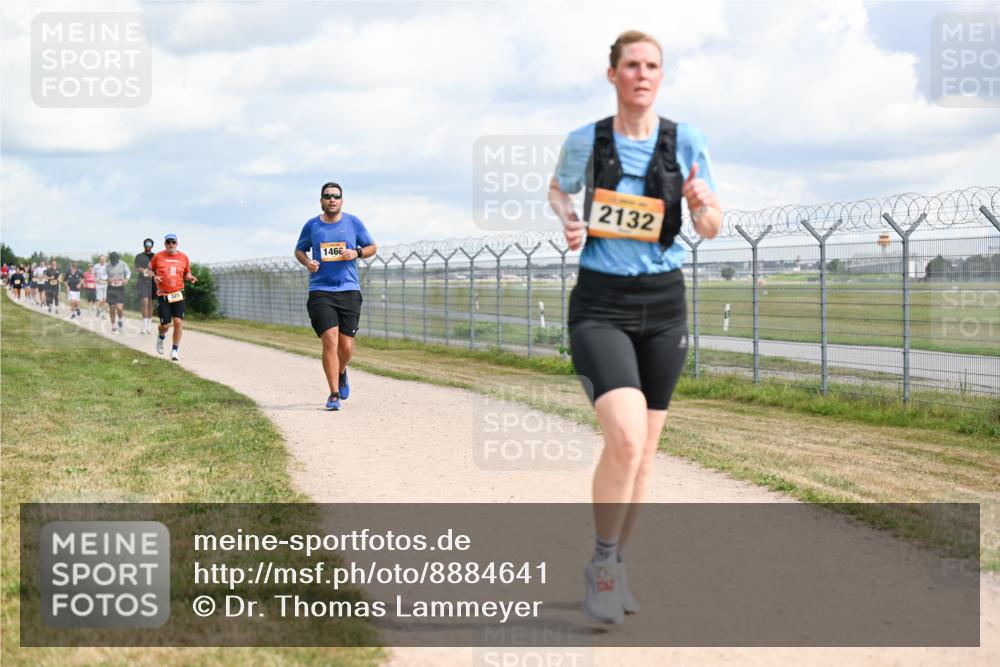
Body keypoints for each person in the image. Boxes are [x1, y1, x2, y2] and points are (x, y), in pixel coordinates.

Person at [547, 31, 722, 625]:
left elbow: (713, 225)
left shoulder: (686, 140)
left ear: (661, 76)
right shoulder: (586, 141)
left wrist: (701, 205)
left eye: (652, 66)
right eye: (631, 65)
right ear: (612, 74)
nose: (642, 74)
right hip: (600, 304)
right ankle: (600, 565)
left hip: (664, 305)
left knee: (644, 456)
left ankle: (617, 562)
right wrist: (570, 217)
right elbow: (557, 190)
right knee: (622, 438)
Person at [294, 182, 376, 410]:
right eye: (327, 196)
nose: (332, 199)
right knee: (330, 339)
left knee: (346, 346)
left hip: (348, 289)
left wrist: (356, 252)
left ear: (341, 200)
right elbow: (299, 250)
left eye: (336, 196)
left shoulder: (353, 222)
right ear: (321, 200)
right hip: (320, 290)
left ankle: (341, 371)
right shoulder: (312, 226)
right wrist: (307, 262)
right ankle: (333, 394)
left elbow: (372, 247)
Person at [150, 233, 197, 361]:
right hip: (163, 294)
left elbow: (187, 272)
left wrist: (189, 277)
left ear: (177, 243)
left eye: (173, 242)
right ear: (165, 244)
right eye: (168, 242)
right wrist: (154, 276)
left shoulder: (183, 257)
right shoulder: (157, 257)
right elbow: (148, 270)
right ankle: (161, 337)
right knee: (165, 326)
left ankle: (175, 350)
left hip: (178, 293)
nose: (171, 244)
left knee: (178, 321)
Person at [134, 238, 156, 333]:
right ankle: (144, 325)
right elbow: (137, 268)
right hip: (142, 282)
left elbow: (158, 268)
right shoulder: (139, 256)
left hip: (152, 282)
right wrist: (145, 271)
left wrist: (154, 273)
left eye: (149, 244)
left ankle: (149, 325)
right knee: (144, 301)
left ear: (152, 245)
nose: (148, 246)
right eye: (146, 244)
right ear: (144, 245)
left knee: (151, 303)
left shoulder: (156, 256)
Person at [106, 252, 131, 333]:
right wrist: (107, 279)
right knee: (112, 307)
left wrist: (126, 279)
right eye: (113, 261)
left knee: (119, 308)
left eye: (115, 261)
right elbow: (102, 275)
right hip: (111, 288)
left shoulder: (123, 264)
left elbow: (128, 272)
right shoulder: (107, 265)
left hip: (120, 288)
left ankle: (120, 320)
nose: (114, 262)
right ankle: (113, 326)